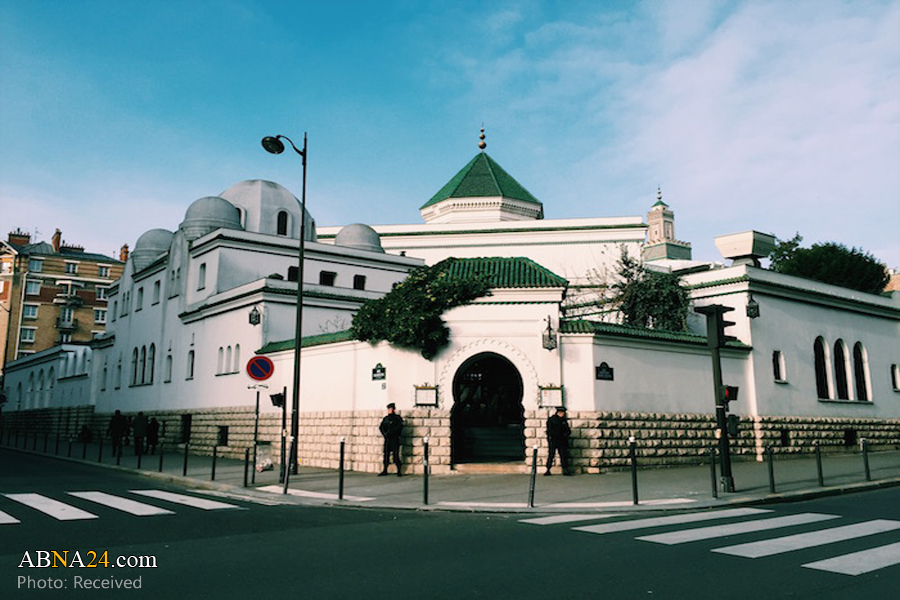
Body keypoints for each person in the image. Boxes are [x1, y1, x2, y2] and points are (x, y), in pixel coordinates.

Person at [545, 406, 573, 476]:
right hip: (554, 440)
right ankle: (548, 469)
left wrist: (566, 435)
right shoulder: (552, 419)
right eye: (562, 413)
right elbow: (549, 430)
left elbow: (567, 430)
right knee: (551, 455)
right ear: (559, 412)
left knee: (563, 455)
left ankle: (565, 469)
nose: (563, 414)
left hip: (561, 440)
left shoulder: (563, 420)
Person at [378, 402, 404, 477]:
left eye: (391, 409)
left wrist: (392, 433)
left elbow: (399, 428)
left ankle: (399, 471)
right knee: (386, 455)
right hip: (387, 439)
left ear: (394, 409)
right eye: (388, 409)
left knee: (396, 455)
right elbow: (381, 427)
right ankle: (385, 470)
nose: (389, 410)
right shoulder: (386, 418)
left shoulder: (397, 418)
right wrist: (385, 434)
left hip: (395, 439)